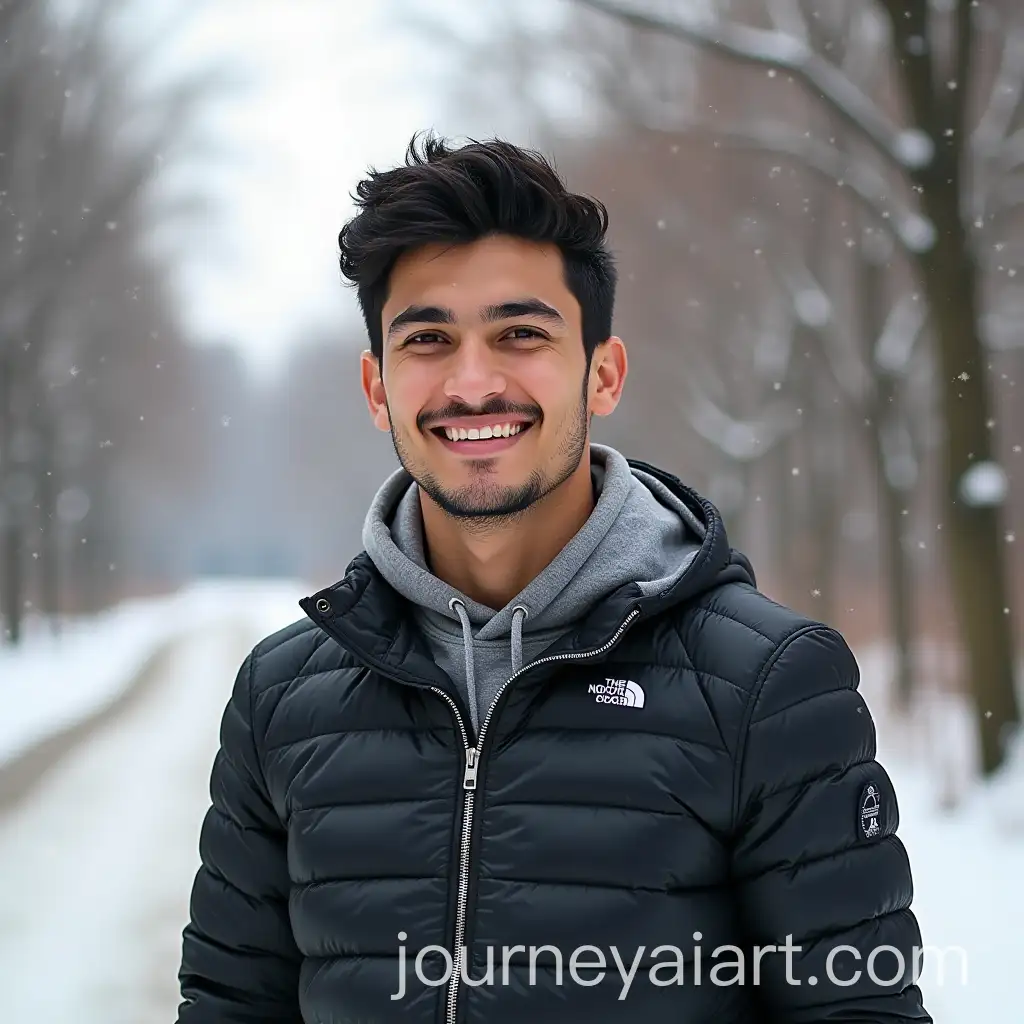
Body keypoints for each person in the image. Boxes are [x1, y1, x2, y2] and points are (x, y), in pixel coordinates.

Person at [175, 132, 932, 1023]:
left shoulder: (768, 684)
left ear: (602, 373)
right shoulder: (280, 697)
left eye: (520, 333)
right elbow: (229, 1007)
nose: (473, 381)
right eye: (428, 339)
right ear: (378, 388)